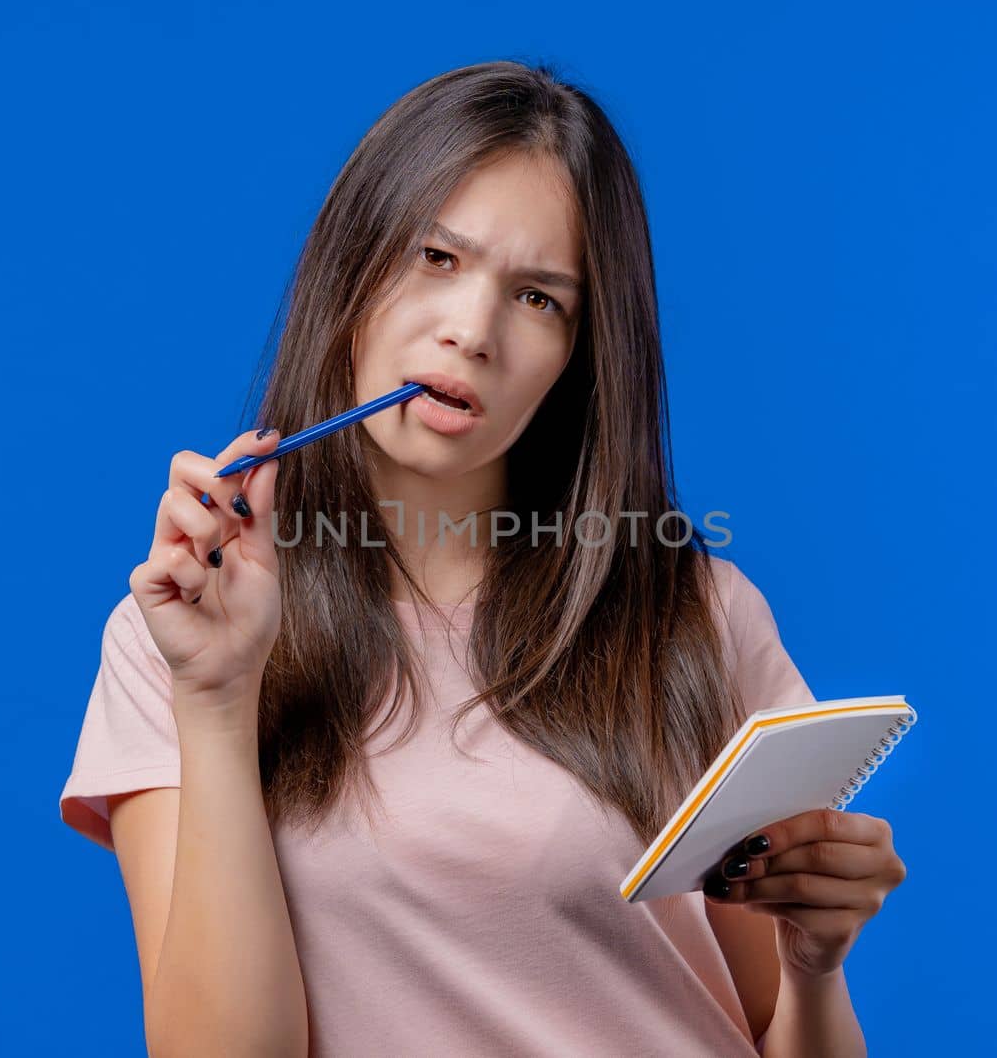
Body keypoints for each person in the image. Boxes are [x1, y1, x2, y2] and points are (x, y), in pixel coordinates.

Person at [59, 60, 906, 1058]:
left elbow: (783, 1034)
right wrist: (214, 692)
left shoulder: (693, 612)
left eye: (540, 299)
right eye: (434, 256)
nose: (472, 330)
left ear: (581, 355)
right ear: (350, 271)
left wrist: (816, 965)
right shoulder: (179, 635)